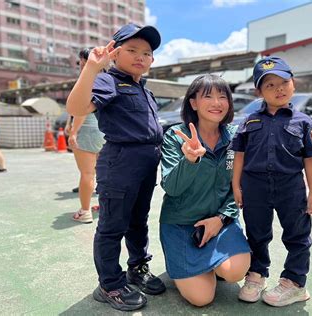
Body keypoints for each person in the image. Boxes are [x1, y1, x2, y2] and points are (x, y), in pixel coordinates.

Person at [66, 23, 166, 311]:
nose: (140, 57)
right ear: (115, 53)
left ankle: (137, 268)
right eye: (131, 50)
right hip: (121, 162)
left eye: (146, 53)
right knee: (112, 226)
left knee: (138, 220)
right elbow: (77, 107)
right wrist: (91, 69)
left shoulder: (144, 90)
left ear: (152, 60)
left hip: (146, 164)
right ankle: (110, 284)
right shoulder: (108, 81)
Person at [230, 56, 312, 307]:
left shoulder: (303, 122)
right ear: (258, 91)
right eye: (269, 85)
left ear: (293, 84)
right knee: (257, 233)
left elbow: (311, 159)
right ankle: (256, 274)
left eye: (283, 82)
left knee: (297, 235)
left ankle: (294, 283)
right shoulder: (249, 121)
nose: (278, 89)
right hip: (254, 186)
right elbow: (239, 155)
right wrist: (236, 186)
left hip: (290, 187)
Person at [159, 74, 251, 307]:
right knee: (201, 298)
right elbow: (171, 187)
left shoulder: (235, 137)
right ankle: (198, 267)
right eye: (207, 96)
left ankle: (213, 265)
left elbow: (238, 186)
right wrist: (189, 160)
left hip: (221, 222)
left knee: (235, 272)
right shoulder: (175, 136)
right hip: (181, 224)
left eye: (223, 97)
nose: (217, 103)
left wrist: (221, 219)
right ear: (193, 103)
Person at [69, 48, 105, 224]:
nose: (81, 65)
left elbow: (81, 111)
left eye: (84, 61)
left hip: (88, 131)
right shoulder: (107, 80)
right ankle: (103, 206)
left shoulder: (87, 80)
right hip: (104, 132)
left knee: (87, 173)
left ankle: (85, 211)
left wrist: (73, 132)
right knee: (103, 172)